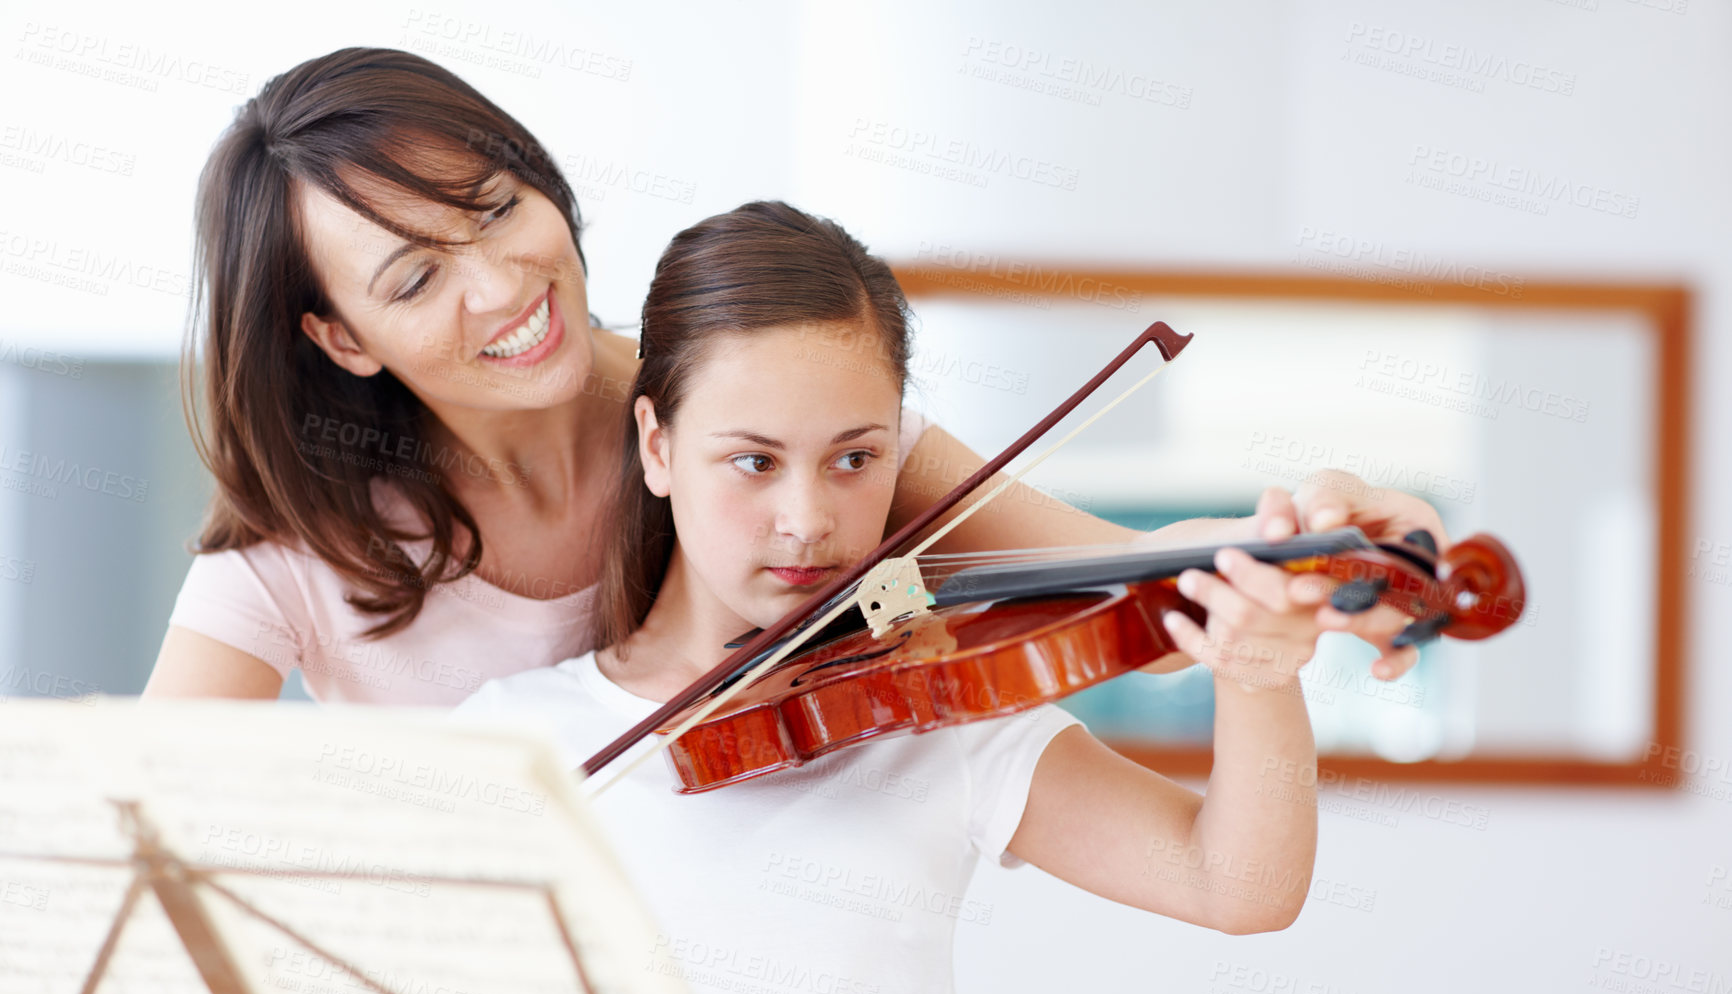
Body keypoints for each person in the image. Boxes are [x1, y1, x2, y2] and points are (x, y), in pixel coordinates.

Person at [143, 46, 1441, 707]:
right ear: (341, 338)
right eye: (415, 278)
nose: (499, 285)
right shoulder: (288, 562)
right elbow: (140, 837)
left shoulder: (755, 421)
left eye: (495, 207)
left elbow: (1112, 584)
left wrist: (1313, 546)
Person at [454, 201, 1325, 994]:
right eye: (753, 461)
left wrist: (1258, 671)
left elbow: (1236, 887)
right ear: (658, 446)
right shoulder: (513, 740)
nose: (807, 520)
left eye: (854, 460)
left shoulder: (930, 702)